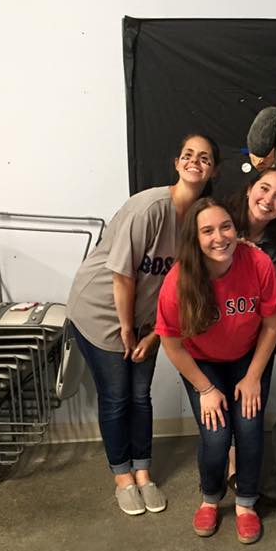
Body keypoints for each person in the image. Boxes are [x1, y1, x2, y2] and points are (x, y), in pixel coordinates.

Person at [67, 133, 218, 516]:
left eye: (204, 158)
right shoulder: (148, 208)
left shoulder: (198, 220)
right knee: (117, 396)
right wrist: (127, 328)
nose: (195, 162)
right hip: (102, 311)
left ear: (213, 169)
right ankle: (123, 477)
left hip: (146, 320)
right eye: (188, 155)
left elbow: (181, 287)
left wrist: (152, 335)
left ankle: (143, 472)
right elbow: (123, 276)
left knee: (140, 395)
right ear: (176, 163)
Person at [155, 199, 276, 545]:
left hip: (248, 358)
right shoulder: (178, 281)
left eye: (225, 226)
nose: (219, 237)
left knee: (249, 428)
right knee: (215, 436)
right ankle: (210, 498)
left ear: (235, 228)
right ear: (195, 238)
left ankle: (246, 502)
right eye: (208, 230)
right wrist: (206, 389)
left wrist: (254, 376)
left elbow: (272, 325)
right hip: (202, 364)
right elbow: (172, 344)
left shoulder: (258, 262)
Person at [224, 166, 276, 486]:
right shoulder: (222, 221)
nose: (269, 200)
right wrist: (237, 251)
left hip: (255, 336)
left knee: (249, 412)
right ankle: (224, 467)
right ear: (249, 189)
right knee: (219, 414)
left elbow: (269, 297)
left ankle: (243, 476)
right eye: (264, 189)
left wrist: (254, 262)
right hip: (215, 334)